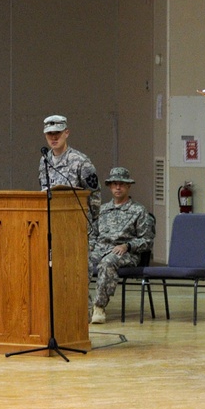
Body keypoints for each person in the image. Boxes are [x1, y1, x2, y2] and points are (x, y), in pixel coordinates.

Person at [88, 167, 154, 324]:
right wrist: (88, 250)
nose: (118, 187)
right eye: (115, 184)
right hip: (101, 249)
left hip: (126, 253)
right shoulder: (102, 210)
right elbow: (93, 235)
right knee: (79, 262)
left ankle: (99, 307)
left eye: (122, 184)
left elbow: (147, 240)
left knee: (107, 262)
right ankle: (84, 307)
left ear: (128, 186)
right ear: (110, 187)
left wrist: (128, 246)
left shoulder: (138, 210)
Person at [40, 115, 100, 227]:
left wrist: (91, 227)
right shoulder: (44, 160)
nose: (54, 137)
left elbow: (94, 196)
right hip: (52, 223)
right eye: (50, 134)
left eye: (57, 132)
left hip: (77, 224)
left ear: (66, 133)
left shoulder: (81, 161)